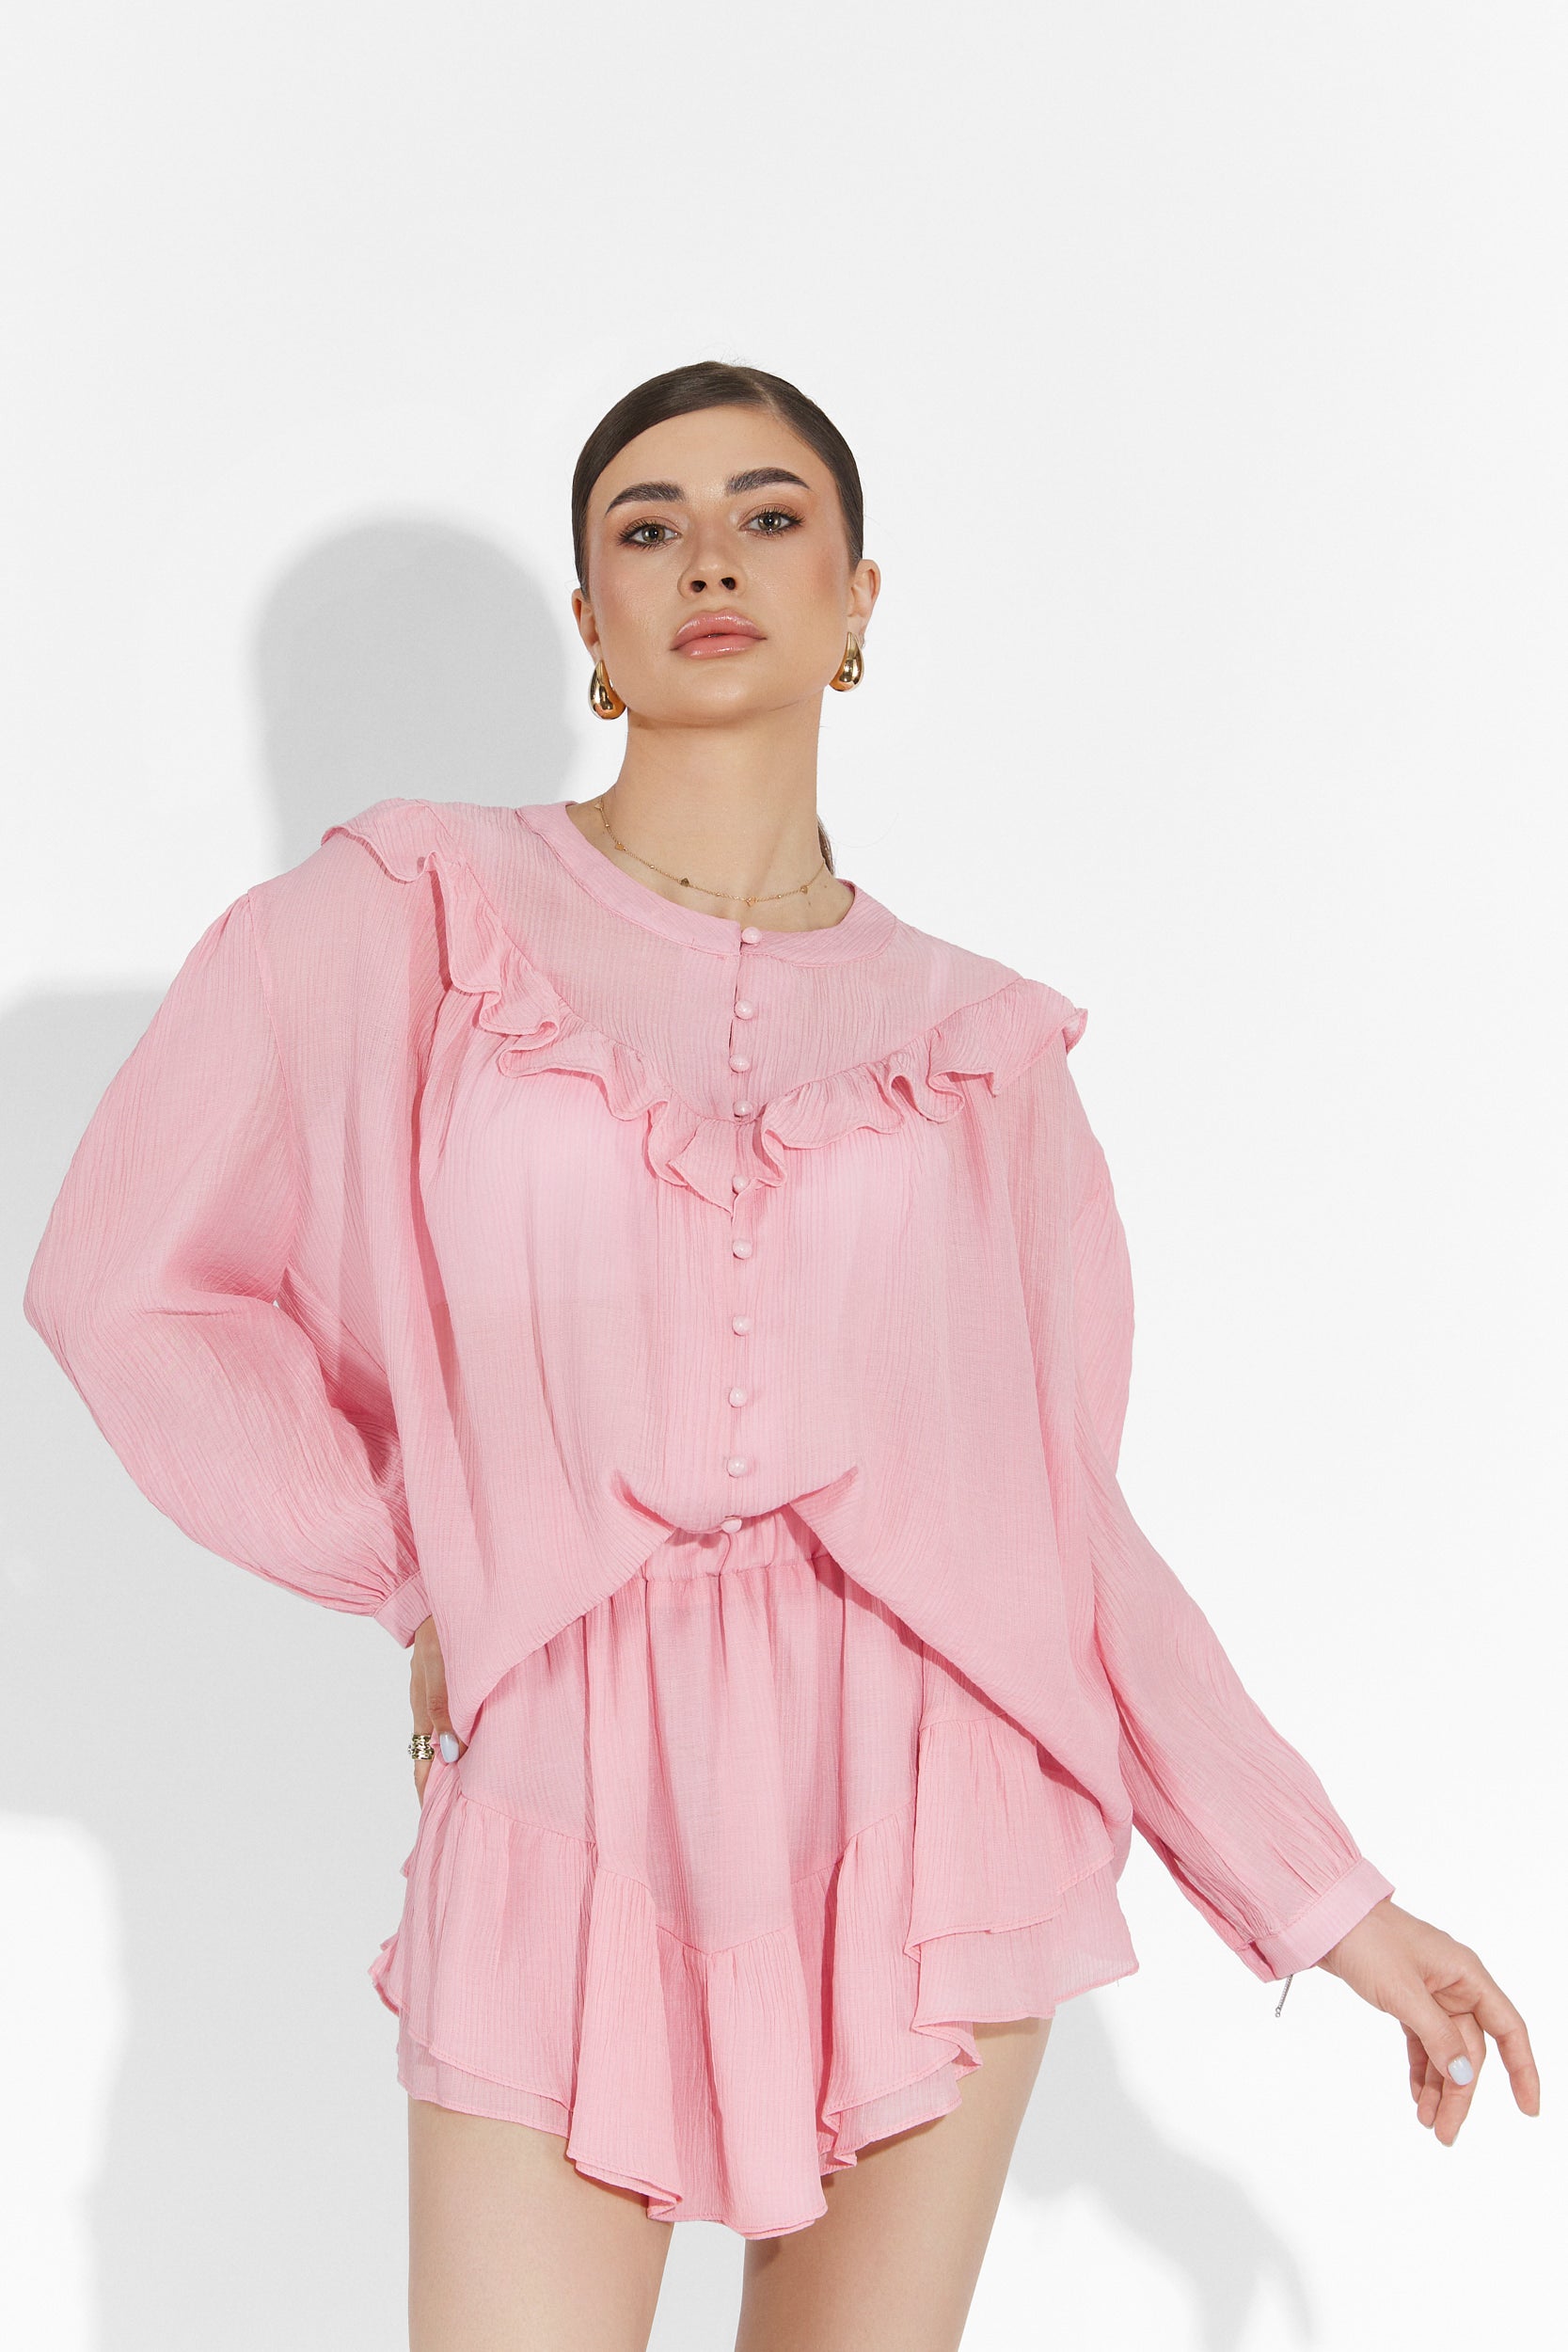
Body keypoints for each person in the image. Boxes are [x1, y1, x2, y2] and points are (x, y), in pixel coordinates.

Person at [23, 359, 1540, 2352]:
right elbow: (121, 1279)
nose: (709, 558)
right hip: (567, 1777)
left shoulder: (980, 1045)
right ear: (590, 618)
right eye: (647, 526)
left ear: (856, 598)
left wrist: (1328, 1900)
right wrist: (418, 1565)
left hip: (932, 1798)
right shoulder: (416, 912)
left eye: (768, 516)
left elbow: (1062, 1529)